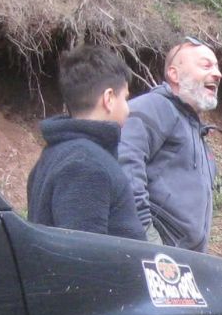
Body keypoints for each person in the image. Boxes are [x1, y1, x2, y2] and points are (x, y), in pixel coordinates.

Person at [26, 46, 147, 241]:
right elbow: (83, 253)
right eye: (125, 98)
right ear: (108, 98)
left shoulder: (56, 153)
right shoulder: (87, 165)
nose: (128, 109)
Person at [119, 37, 221, 252]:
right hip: (157, 255)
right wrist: (149, 242)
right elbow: (124, 169)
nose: (217, 73)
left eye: (217, 66)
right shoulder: (154, 107)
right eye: (206, 65)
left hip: (184, 258)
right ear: (174, 74)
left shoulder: (194, 128)